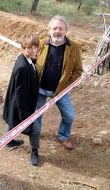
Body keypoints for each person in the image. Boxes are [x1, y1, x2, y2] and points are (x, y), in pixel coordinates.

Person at [35, 15, 83, 153]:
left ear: (66, 31)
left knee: (69, 116)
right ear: (49, 29)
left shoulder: (74, 47)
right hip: (40, 89)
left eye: (61, 28)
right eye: (54, 28)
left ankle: (63, 136)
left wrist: (66, 85)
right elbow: (32, 64)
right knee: (36, 114)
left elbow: (78, 71)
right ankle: (36, 134)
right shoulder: (41, 44)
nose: (57, 31)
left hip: (61, 91)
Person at [2, 35, 39, 165]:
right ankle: (34, 152)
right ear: (23, 48)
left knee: (12, 119)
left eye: (35, 47)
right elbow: (20, 94)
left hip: (17, 102)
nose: (33, 50)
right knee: (34, 128)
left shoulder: (26, 59)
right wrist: (25, 115)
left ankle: (8, 141)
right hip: (21, 103)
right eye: (29, 48)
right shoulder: (22, 67)